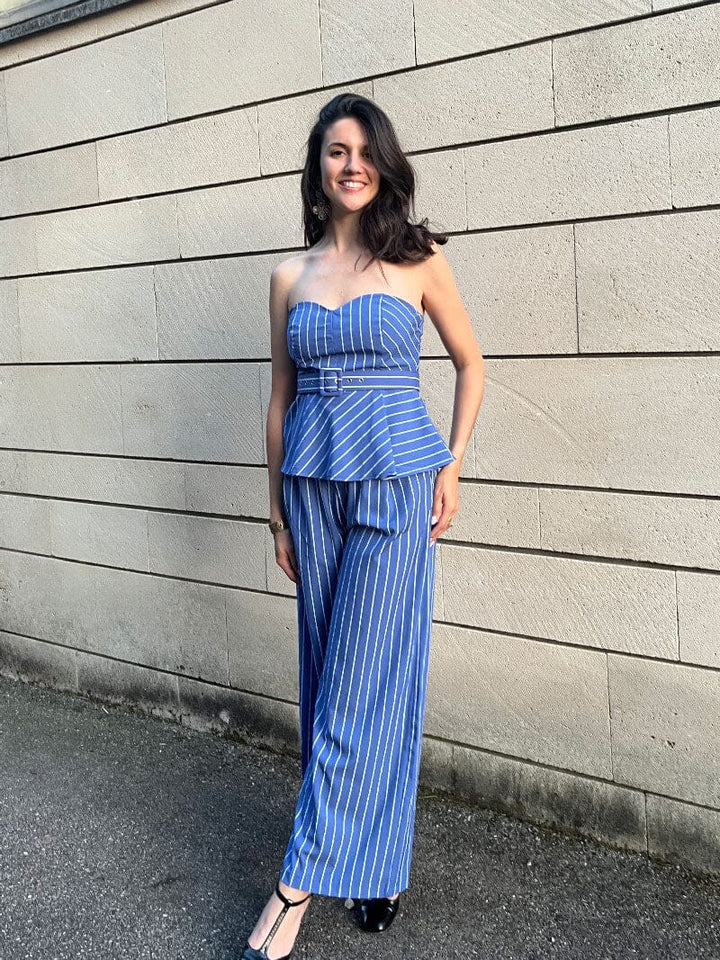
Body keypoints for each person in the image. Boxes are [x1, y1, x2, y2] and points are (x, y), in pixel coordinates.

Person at [241, 92, 485, 959]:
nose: (351, 165)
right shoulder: (289, 277)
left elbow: (470, 363)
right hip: (311, 490)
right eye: (336, 151)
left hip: (394, 484)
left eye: (364, 151)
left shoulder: (419, 259)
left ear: (383, 164)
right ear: (318, 168)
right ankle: (375, 863)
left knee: (363, 683)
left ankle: (295, 886)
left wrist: (452, 461)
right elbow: (280, 400)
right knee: (328, 683)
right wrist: (276, 512)